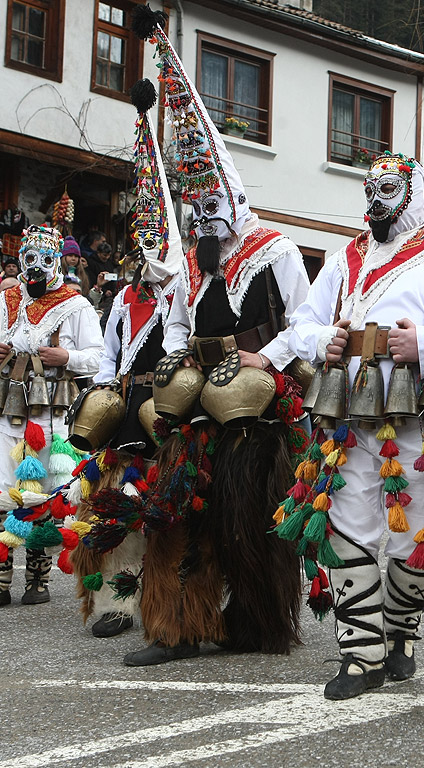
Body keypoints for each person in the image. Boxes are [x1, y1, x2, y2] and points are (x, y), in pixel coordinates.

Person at [122, 5, 309, 666]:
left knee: (246, 521)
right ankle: (175, 624)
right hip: (198, 402)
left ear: (228, 191)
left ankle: (256, 620)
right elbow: (175, 319)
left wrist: (271, 353)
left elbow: (308, 325)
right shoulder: (196, 261)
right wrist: (173, 364)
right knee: (177, 511)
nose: (202, 213)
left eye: (209, 200)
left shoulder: (275, 248)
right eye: (193, 201)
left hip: (258, 409)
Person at [286, 151, 424, 700]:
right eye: (371, 191)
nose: (375, 203)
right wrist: (322, 340)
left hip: (420, 414)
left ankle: (401, 632)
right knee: (345, 522)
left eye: (388, 191)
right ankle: (360, 655)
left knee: (413, 532)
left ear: (414, 193)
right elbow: (304, 323)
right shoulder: (343, 260)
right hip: (349, 412)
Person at [69, 78, 184, 639]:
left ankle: (163, 595)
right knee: (117, 496)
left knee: (164, 502)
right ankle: (119, 597)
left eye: (151, 248)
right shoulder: (121, 300)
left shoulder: (180, 297)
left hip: (168, 405)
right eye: (138, 247)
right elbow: (108, 357)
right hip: (127, 406)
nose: (142, 258)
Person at [0, 225, 103, 606]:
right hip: (8, 411)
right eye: (29, 260)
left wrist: (68, 358)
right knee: (3, 492)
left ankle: (37, 581)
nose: (36, 268)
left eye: (44, 261)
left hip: (50, 415)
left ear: (56, 261)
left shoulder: (75, 306)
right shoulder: (8, 299)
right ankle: (1, 577)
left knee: (40, 495)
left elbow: (97, 356)